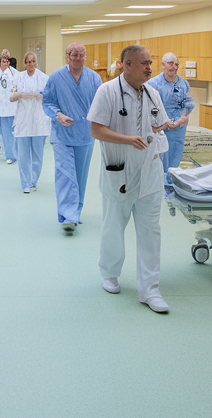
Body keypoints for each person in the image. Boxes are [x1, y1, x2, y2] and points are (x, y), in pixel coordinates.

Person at [88, 44, 179, 314]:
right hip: (119, 171)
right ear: (126, 65)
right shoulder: (107, 92)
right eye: (143, 63)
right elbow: (96, 129)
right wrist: (128, 139)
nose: (150, 67)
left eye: (150, 62)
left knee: (151, 232)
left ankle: (150, 289)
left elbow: (158, 124)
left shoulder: (153, 93)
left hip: (150, 172)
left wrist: (160, 129)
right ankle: (110, 273)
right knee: (113, 227)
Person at [42, 43, 102, 234]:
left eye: (81, 55)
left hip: (85, 134)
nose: (78, 58)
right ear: (67, 56)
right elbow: (48, 101)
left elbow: (102, 104)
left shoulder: (94, 78)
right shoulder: (56, 77)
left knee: (80, 176)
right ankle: (68, 216)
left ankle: (76, 211)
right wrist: (58, 115)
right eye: (74, 55)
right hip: (62, 134)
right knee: (65, 173)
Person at [147, 53, 196, 193]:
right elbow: (151, 106)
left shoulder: (183, 84)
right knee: (160, 157)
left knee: (174, 158)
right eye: (170, 63)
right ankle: (158, 188)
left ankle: (171, 187)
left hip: (178, 128)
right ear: (163, 64)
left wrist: (181, 119)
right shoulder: (153, 84)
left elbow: (188, 103)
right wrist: (165, 122)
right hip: (160, 127)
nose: (173, 67)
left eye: (176, 64)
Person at [11, 52, 50, 194]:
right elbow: (12, 96)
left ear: (36, 62)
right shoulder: (18, 77)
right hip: (23, 120)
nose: (30, 64)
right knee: (23, 154)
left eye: (33, 61)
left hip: (39, 121)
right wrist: (20, 95)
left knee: (37, 154)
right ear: (24, 63)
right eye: (28, 62)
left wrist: (38, 96)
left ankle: (34, 181)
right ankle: (25, 183)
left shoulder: (45, 78)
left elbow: (49, 97)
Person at [0, 55, 21, 164]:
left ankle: (14, 154)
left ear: (9, 63)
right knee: (3, 133)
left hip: (12, 109)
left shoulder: (14, 74)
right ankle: (7, 154)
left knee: (12, 133)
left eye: (6, 61)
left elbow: (16, 87)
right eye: (2, 61)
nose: (4, 63)